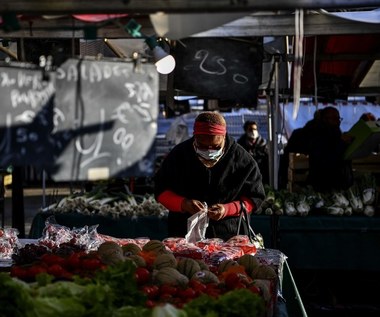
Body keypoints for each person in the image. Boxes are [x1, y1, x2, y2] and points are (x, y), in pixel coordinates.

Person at [154, 111, 266, 241]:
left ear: (224, 136)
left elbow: (254, 199)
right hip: (183, 237)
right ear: (194, 136)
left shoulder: (243, 161)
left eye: (215, 146)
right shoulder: (178, 156)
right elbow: (161, 190)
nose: (208, 150)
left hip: (229, 239)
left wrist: (227, 209)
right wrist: (184, 204)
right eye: (202, 146)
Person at [307, 106, 354, 192]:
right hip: (323, 184)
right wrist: (342, 143)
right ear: (325, 119)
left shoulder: (336, 133)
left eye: (339, 119)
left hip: (337, 185)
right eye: (334, 119)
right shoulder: (317, 136)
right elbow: (326, 160)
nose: (338, 122)